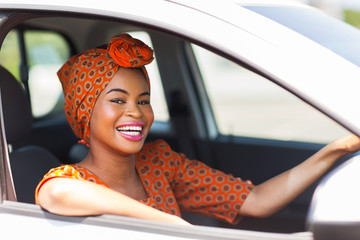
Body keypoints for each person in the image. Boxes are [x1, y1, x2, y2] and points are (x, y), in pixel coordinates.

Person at [35, 33, 360, 226]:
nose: (136, 112)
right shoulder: (70, 181)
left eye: (144, 100)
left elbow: (257, 200)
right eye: (118, 101)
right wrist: (174, 225)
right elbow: (55, 193)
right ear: (85, 112)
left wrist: (338, 148)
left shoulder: (159, 162)